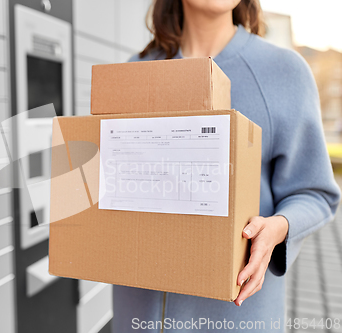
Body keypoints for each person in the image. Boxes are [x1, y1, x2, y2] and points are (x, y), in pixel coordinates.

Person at [113, 0, 341, 332]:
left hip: (233, 318)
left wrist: (280, 225)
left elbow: (314, 192)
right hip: (137, 313)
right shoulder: (136, 70)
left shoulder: (283, 71)